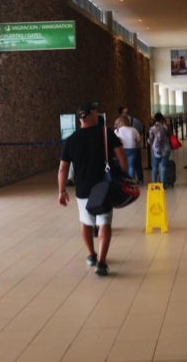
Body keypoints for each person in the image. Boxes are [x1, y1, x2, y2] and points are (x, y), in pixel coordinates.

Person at [58, 102, 128, 277]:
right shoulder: (106, 133)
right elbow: (121, 156)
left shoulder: (71, 140)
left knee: (86, 222)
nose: (97, 115)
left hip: (82, 189)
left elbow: (63, 169)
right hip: (104, 186)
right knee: (104, 222)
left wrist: (61, 191)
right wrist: (124, 176)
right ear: (89, 115)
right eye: (95, 112)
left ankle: (91, 255)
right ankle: (102, 263)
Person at [118, 106, 145, 184]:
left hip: (122, 149)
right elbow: (139, 136)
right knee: (133, 165)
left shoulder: (118, 128)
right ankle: (135, 181)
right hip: (133, 148)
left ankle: (124, 180)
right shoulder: (135, 126)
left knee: (123, 165)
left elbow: (116, 139)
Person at [114, 116, 140, 181]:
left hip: (122, 149)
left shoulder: (117, 130)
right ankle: (131, 180)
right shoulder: (133, 129)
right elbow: (139, 139)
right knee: (131, 165)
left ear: (120, 122)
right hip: (131, 148)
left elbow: (115, 140)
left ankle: (123, 179)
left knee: (121, 164)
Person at [148, 112, 171, 184]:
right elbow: (170, 135)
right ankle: (162, 183)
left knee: (154, 167)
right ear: (162, 119)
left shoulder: (152, 128)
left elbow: (150, 140)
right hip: (166, 149)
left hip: (156, 150)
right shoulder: (166, 127)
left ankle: (154, 184)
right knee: (163, 166)